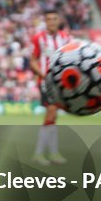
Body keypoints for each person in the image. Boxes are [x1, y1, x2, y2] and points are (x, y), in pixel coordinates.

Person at [29, 9, 71, 165]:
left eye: (54, 18)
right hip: (46, 81)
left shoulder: (65, 38)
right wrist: (42, 74)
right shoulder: (38, 38)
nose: (52, 22)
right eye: (49, 19)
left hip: (60, 83)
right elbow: (33, 60)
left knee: (53, 117)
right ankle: (39, 153)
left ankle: (53, 153)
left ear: (58, 20)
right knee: (51, 112)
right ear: (45, 22)